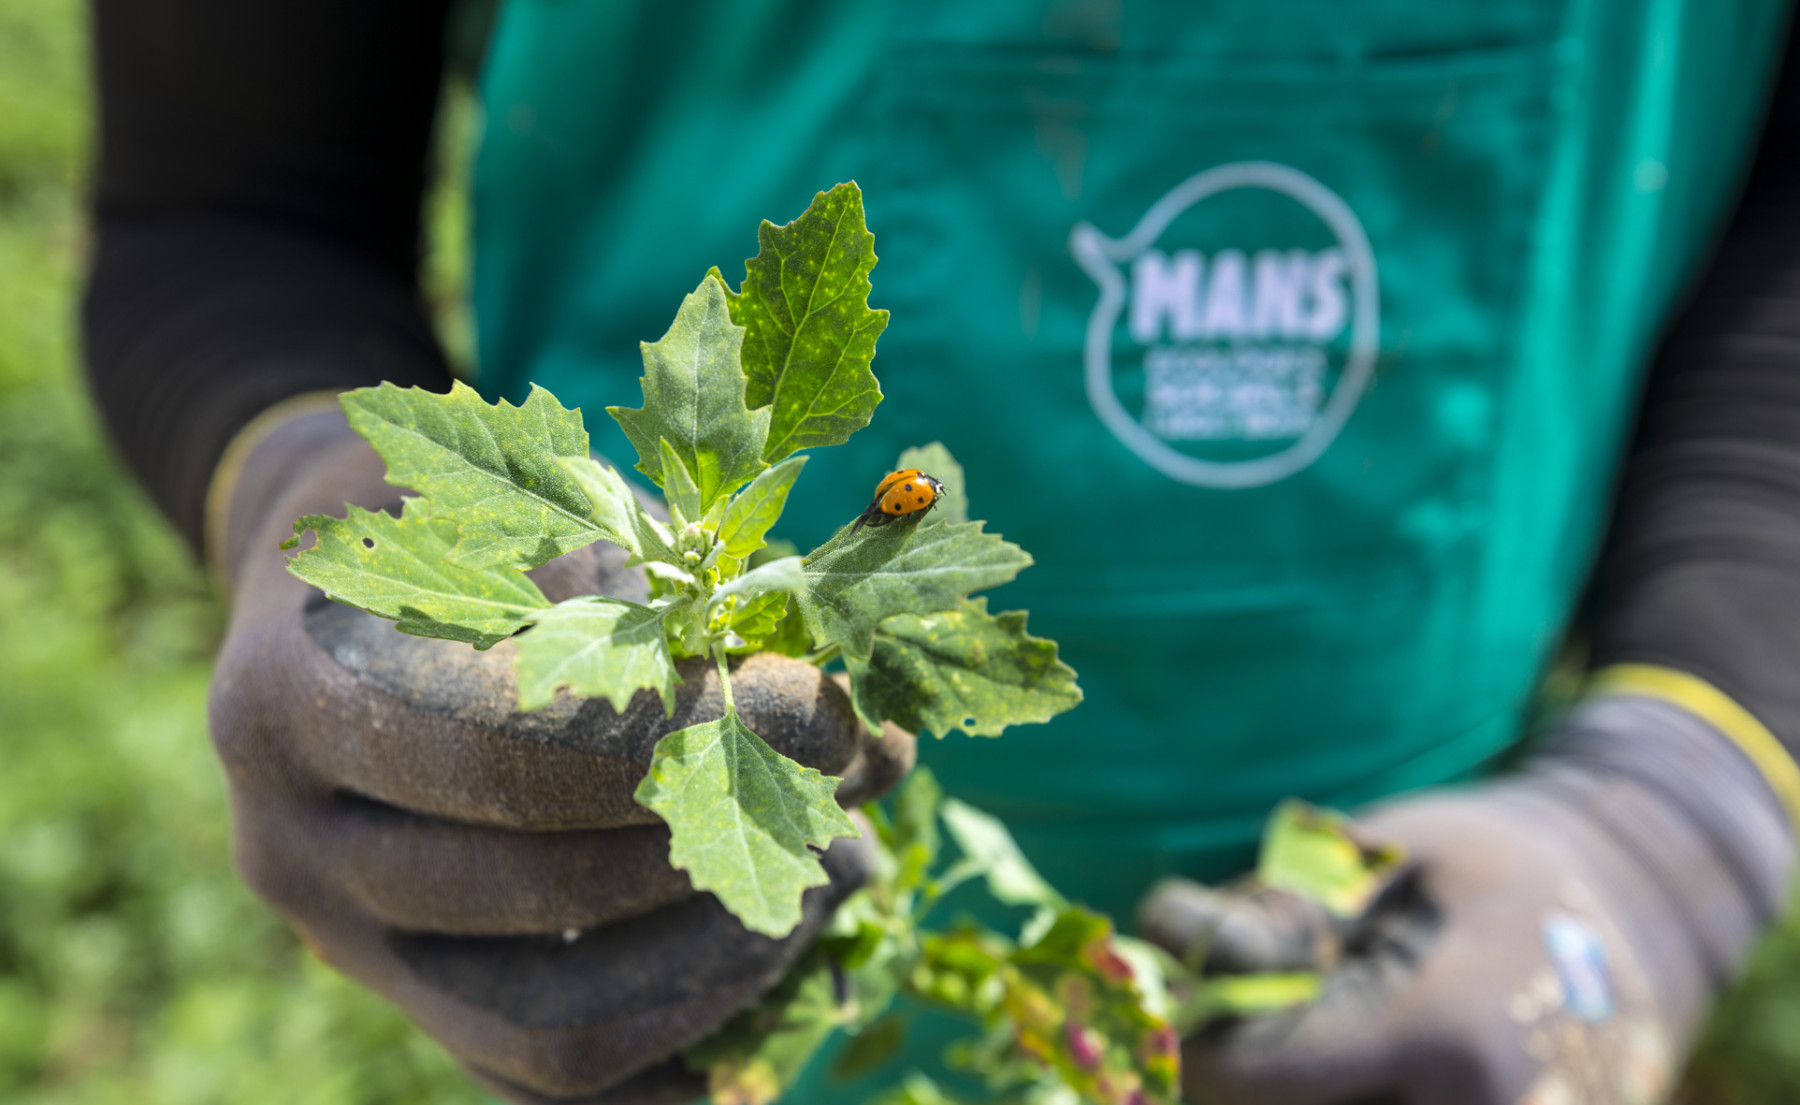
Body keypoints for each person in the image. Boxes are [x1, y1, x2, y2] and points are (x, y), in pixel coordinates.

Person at [81, 0, 1800, 1102]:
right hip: (637, 956)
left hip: (1434, 949)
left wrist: (1671, 810)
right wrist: (328, 514)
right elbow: (226, 208)